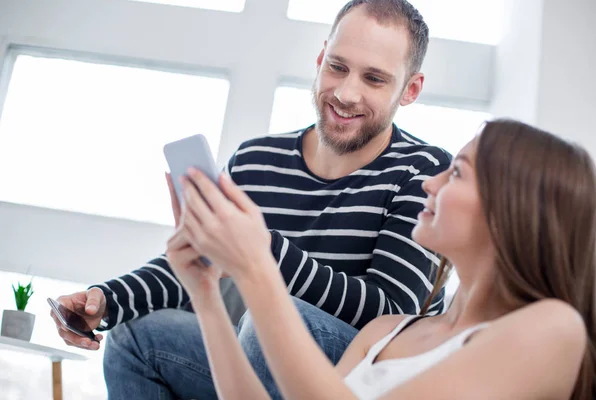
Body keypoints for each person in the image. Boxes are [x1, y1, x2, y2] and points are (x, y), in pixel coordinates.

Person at [51, 1, 452, 398]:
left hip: (356, 381)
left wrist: (259, 252)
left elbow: (392, 317)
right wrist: (106, 301)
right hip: (257, 364)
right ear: (320, 58)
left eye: (374, 79)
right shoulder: (256, 160)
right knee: (136, 336)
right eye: (337, 67)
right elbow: (201, 266)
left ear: (410, 90)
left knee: (272, 319)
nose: (346, 93)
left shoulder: (426, 172)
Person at [167, 119, 596, 400]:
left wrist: (258, 265)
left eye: (458, 173)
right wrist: (204, 295)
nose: (431, 183)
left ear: (514, 211)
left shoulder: (554, 328)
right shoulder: (386, 332)